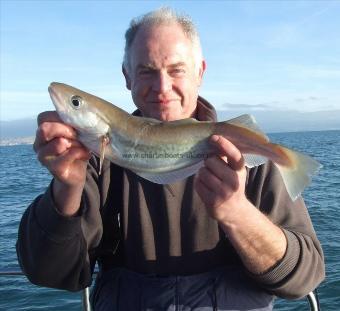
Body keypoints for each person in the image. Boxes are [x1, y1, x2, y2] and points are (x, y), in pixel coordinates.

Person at [17, 7, 325, 310]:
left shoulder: (246, 154)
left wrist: (239, 214)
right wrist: (66, 189)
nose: (163, 88)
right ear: (127, 76)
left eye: (176, 70)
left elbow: (303, 279)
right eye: (146, 71)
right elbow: (50, 274)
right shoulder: (94, 162)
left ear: (200, 72)